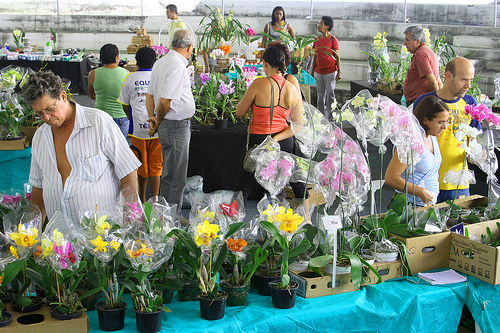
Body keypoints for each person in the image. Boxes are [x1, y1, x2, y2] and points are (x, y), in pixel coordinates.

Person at [23, 71, 141, 224]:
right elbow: (38, 186)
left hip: (102, 237)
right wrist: (33, 229)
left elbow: (128, 171)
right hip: (60, 240)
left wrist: (131, 221)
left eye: (50, 109)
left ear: (63, 96)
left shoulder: (99, 123)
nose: (46, 118)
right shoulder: (40, 136)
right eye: (39, 113)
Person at [235, 46, 303, 202]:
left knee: (244, 182)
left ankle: (235, 218)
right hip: (283, 142)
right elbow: (299, 124)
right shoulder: (292, 88)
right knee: (278, 185)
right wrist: (277, 139)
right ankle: (278, 219)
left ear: (264, 63)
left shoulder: (259, 84)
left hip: (258, 140)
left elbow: (240, 112)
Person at [413, 57, 480, 202]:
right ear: (448, 76)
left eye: (471, 80)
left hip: (458, 183)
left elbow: (474, 142)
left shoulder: (470, 103)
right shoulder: (425, 102)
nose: (468, 85)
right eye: (463, 80)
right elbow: (412, 140)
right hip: (426, 182)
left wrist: (479, 155)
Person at [146, 29, 195, 212]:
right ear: (190, 47)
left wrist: (153, 118)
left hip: (170, 125)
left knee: (171, 174)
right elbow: (165, 100)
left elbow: (150, 95)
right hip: (175, 126)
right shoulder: (177, 65)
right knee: (175, 177)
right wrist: (157, 119)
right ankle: (168, 221)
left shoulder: (161, 62)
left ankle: (167, 217)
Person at [385, 96, 449, 206]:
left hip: (427, 205)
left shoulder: (432, 137)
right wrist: (420, 192)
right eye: (440, 122)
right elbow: (391, 178)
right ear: (426, 120)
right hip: (408, 205)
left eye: (446, 122)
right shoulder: (410, 141)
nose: (445, 127)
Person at [118, 47, 162, 203]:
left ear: (136, 61)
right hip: (157, 129)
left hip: (137, 131)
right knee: (156, 166)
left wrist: (132, 116)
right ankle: (155, 200)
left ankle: (142, 199)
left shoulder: (130, 78)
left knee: (140, 167)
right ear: (155, 61)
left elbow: (125, 104)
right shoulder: (159, 77)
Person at [88, 43, 129, 138]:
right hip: (121, 118)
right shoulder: (126, 73)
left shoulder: (93, 74)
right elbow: (128, 98)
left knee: (101, 149)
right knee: (120, 150)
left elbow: (92, 95)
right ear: (116, 57)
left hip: (100, 117)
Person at [402, 25, 442, 105]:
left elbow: (433, 82)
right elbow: (439, 81)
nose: (405, 43)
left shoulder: (421, 54)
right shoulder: (427, 51)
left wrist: (436, 103)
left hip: (420, 102)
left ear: (417, 41)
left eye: (407, 40)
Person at [311, 16, 341, 120]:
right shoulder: (317, 40)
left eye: (321, 24)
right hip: (319, 71)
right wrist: (312, 71)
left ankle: (332, 116)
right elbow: (315, 56)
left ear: (327, 26)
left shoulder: (332, 39)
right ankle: (321, 117)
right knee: (320, 96)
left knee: (330, 95)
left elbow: (337, 56)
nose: (319, 26)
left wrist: (339, 71)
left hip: (330, 71)